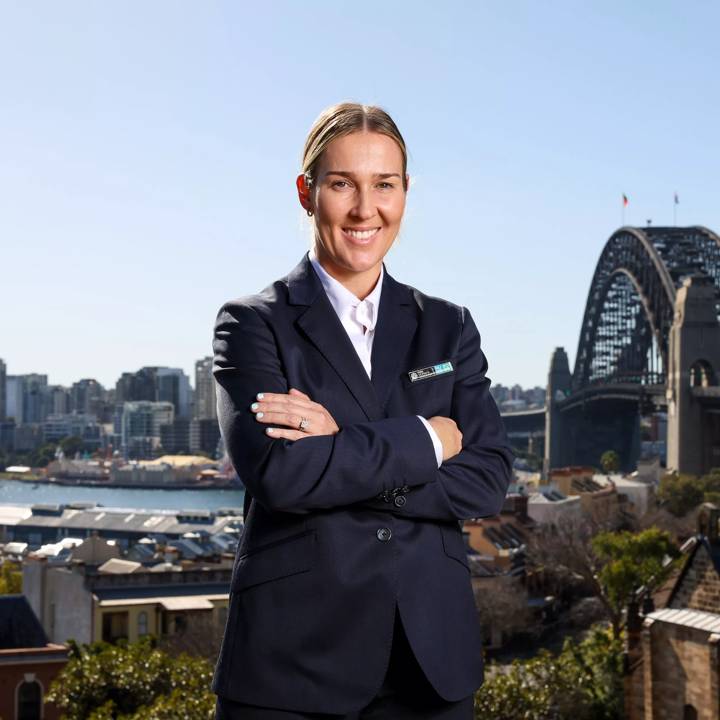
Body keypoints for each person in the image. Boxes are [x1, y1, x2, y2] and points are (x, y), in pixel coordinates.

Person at [211, 102, 514, 719]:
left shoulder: (449, 328)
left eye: (385, 184)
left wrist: (339, 441)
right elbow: (283, 475)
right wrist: (425, 440)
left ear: (406, 192)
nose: (364, 209)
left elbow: (487, 478)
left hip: (433, 665)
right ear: (307, 192)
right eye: (342, 183)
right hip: (293, 663)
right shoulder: (252, 324)